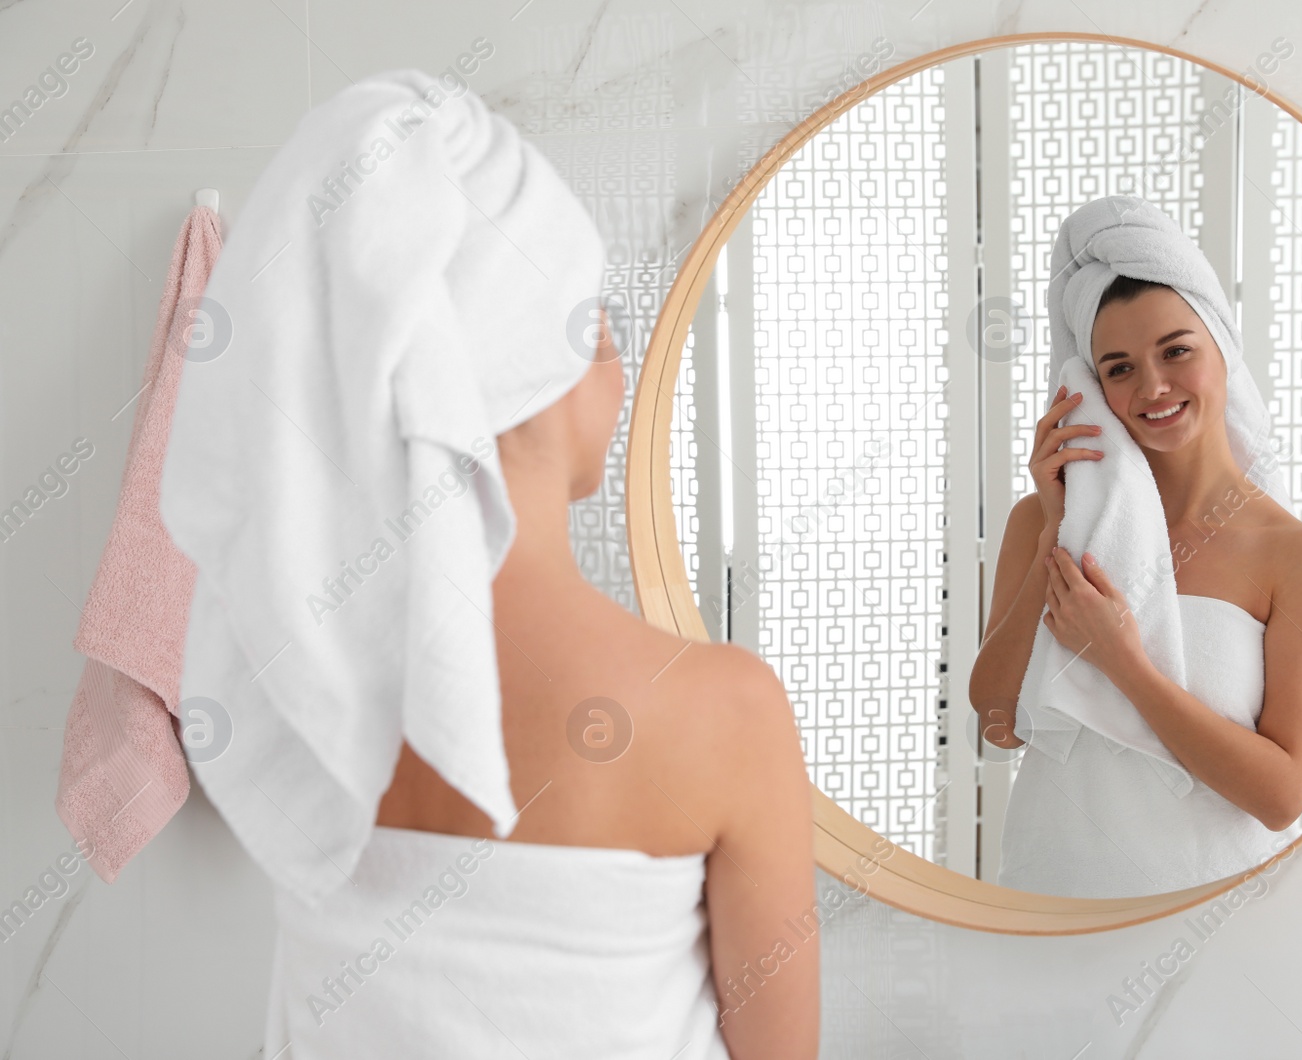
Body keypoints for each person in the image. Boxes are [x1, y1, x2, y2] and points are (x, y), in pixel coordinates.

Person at [159, 69, 817, 1057]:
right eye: (596, 321)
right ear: (533, 368)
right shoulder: (724, 710)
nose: (617, 357)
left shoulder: (291, 666)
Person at [970, 203, 1302, 898]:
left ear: (1223, 351)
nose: (1152, 388)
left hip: (1212, 924)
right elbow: (998, 723)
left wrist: (1122, 659)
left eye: (1176, 351)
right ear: (1089, 388)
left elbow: (1281, 795)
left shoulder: (1299, 557)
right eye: (1118, 368)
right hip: (1051, 896)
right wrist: (1059, 524)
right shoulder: (1041, 521)